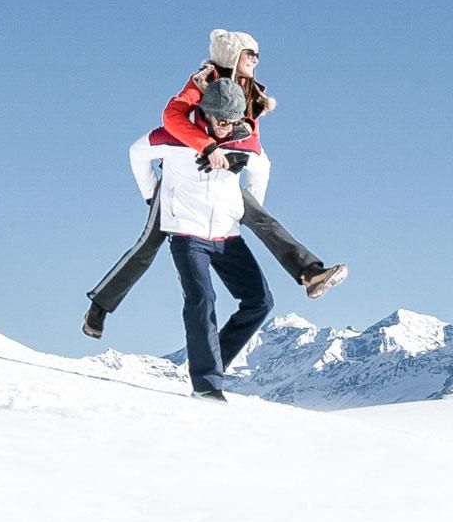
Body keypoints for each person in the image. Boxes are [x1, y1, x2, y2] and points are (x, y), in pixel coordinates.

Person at [81, 31, 347, 375]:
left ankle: (309, 272)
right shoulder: (203, 80)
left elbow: (253, 144)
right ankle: (100, 305)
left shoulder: (251, 91)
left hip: (223, 182)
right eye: (250, 53)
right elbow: (172, 119)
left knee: (263, 220)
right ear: (233, 53)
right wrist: (202, 150)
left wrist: (238, 197)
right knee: (147, 247)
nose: (256, 60)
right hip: (183, 181)